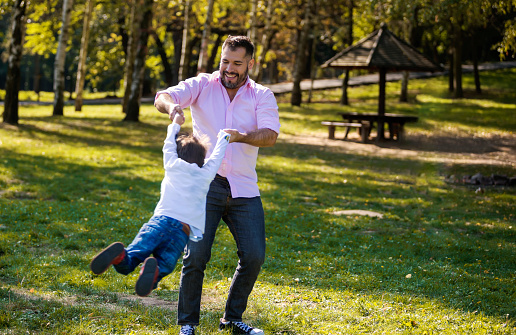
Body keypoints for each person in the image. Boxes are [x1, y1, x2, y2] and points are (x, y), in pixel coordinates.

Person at [154, 35, 280, 335]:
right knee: (195, 256)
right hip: (205, 185)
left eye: (237, 63)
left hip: (244, 188)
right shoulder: (203, 85)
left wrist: (242, 136)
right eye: (225, 61)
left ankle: (232, 319)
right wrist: (172, 108)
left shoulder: (262, 95)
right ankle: (187, 324)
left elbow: (270, 135)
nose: (229, 69)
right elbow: (163, 95)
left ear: (251, 63)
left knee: (254, 256)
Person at [89, 112, 231, 297]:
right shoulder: (206, 175)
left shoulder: (171, 163)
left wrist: (176, 123)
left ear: (177, 154)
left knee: (133, 257)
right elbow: (217, 157)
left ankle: (122, 256)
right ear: (202, 160)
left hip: (160, 222)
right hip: (182, 232)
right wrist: (225, 137)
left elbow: (168, 144)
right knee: (165, 263)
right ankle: (155, 273)